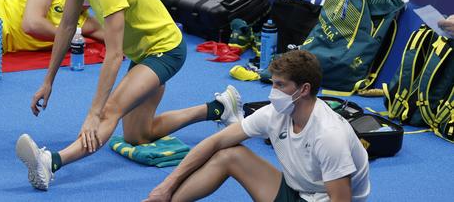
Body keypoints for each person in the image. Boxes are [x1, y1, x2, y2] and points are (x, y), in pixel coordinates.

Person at [15, 0, 244, 191]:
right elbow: (66, 26)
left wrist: (93, 113)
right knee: (139, 134)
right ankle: (219, 108)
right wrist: (48, 81)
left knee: (110, 110)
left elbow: (113, 55)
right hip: (143, 51)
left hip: (165, 50)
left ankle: (51, 163)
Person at [145, 50, 370, 202]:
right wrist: (167, 186)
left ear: (304, 89)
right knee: (229, 155)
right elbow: (215, 142)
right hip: (298, 191)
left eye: (280, 85)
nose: (273, 92)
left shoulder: (329, 136)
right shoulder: (275, 113)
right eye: (273, 83)